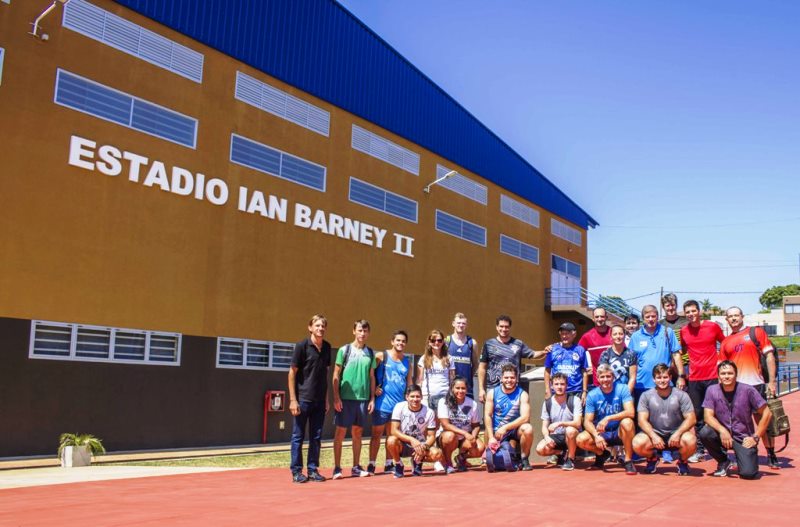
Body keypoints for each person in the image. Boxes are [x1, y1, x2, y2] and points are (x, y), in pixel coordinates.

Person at [719, 306, 780, 469]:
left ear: (742, 316)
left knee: (763, 421)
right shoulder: (725, 342)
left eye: (736, 315)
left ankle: (771, 453)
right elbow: (721, 367)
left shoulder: (756, 332)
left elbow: (769, 356)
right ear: (726, 319)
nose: (733, 318)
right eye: (730, 316)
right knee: (738, 423)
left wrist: (772, 382)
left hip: (756, 385)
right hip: (736, 389)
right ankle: (744, 453)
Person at [699, 361, 772, 479]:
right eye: (723, 373)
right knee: (705, 433)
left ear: (736, 375)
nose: (726, 376)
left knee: (748, 474)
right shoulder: (712, 390)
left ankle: (743, 457)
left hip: (743, 437)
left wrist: (756, 437)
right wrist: (723, 431)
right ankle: (723, 461)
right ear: (718, 376)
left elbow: (767, 413)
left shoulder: (748, 390)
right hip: (722, 436)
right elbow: (708, 416)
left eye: (730, 373)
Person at [288, 314, 331, 483]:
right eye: (317, 325)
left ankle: (312, 470)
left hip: (319, 401)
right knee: (298, 436)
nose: (320, 328)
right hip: (303, 400)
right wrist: (293, 400)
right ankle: (296, 472)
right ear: (310, 327)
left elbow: (325, 374)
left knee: (316, 437)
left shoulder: (327, 347)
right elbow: (292, 373)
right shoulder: (302, 346)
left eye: (323, 326)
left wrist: (326, 399)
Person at [679, 300, 724, 463]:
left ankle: (720, 448)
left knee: (716, 413)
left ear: (699, 311)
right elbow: (682, 351)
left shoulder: (713, 326)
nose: (691, 314)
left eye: (693, 311)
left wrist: (721, 364)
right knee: (697, 415)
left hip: (713, 377)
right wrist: (681, 374)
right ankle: (699, 450)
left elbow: (724, 344)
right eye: (688, 312)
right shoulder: (684, 331)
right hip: (694, 378)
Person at [632, 363, 697, 476]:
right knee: (637, 443)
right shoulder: (646, 396)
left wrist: (677, 434)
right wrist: (654, 436)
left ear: (670, 377)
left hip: (677, 435)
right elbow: (642, 421)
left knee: (691, 441)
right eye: (659, 378)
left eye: (665, 377)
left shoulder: (682, 395)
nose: (662, 380)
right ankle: (652, 458)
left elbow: (691, 419)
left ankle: (683, 461)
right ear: (653, 379)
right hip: (655, 435)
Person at [331, 319, 376, 479]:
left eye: (365, 331)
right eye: (359, 330)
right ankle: (337, 468)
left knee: (357, 433)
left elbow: (372, 377)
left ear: (368, 333)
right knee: (340, 433)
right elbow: (336, 374)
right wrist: (336, 397)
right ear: (354, 331)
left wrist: (372, 399)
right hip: (345, 399)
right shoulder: (344, 350)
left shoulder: (370, 353)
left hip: (363, 399)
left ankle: (356, 467)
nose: (362, 334)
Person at [576, 364, 637, 475]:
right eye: (602, 377)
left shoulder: (623, 388)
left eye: (608, 376)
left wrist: (608, 418)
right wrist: (596, 436)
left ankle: (628, 460)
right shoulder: (592, 395)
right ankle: (602, 454)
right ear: (598, 378)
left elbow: (630, 412)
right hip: (602, 432)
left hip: (619, 431)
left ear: (613, 377)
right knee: (581, 439)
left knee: (628, 422)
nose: (605, 380)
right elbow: (587, 421)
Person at [368, 330, 413, 475]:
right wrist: (374, 389)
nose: (400, 343)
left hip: (398, 406)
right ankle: (371, 464)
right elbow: (370, 375)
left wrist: (410, 400)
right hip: (382, 404)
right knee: (376, 435)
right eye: (398, 340)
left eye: (403, 341)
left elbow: (409, 383)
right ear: (392, 341)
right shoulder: (381, 356)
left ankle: (389, 463)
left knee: (392, 436)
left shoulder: (407, 362)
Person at [478, 315, 546, 403]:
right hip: (493, 388)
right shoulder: (488, 344)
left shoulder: (518, 344)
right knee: (490, 411)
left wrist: (545, 351)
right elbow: (482, 367)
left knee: (512, 411)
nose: (504, 329)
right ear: (497, 327)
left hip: (513, 389)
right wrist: (481, 389)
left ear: (510, 328)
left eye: (506, 327)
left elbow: (533, 354)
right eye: (501, 326)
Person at [484, 364, 534, 470]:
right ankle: (487, 457)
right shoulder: (492, 393)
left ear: (516, 379)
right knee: (487, 431)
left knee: (528, 428)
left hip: (514, 430)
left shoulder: (523, 394)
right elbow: (487, 415)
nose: (509, 380)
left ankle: (524, 459)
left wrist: (506, 427)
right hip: (498, 430)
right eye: (506, 377)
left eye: (512, 377)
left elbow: (525, 417)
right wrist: (491, 437)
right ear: (501, 378)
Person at [629, 305, 681, 405]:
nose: (650, 319)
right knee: (643, 413)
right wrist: (632, 381)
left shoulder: (667, 332)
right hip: (642, 384)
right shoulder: (635, 336)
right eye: (647, 317)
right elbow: (632, 362)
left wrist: (681, 376)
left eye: (653, 316)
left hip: (664, 383)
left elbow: (676, 355)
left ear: (657, 317)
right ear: (643, 318)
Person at [387, 384, 442, 478]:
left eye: (418, 396)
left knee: (437, 454)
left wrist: (423, 447)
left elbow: (431, 436)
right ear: (407, 397)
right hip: (403, 444)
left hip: (421, 445)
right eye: (412, 396)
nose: (415, 399)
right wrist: (411, 440)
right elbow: (394, 430)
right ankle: (398, 464)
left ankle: (417, 461)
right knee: (391, 440)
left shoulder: (429, 412)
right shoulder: (399, 407)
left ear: (421, 397)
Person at [536, 372, 582, 470]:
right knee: (540, 449)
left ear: (567, 385)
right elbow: (544, 426)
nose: (559, 387)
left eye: (562, 384)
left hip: (572, 436)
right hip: (556, 436)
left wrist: (560, 424)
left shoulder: (575, 400)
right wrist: (546, 437)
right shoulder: (547, 403)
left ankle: (571, 459)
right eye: (556, 384)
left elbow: (577, 423)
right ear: (552, 386)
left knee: (570, 430)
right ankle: (561, 453)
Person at [438, 376, 484, 473]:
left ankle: (461, 458)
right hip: (449, 436)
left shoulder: (472, 403)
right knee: (449, 436)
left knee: (480, 449)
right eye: (457, 388)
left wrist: (472, 437)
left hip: (465, 437)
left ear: (467, 389)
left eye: (463, 388)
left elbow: (476, 425)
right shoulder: (443, 402)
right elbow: (445, 425)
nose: (460, 391)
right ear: (452, 388)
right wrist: (465, 433)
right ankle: (448, 463)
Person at [544, 322, 590, 403]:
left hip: (576, 391)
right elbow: (547, 371)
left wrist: (584, 391)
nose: (564, 336)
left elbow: (584, 372)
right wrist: (547, 389)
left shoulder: (580, 350)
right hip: (557, 391)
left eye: (567, 334)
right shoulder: (552, 349)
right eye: (562, 334)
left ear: (574, 334)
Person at [417, 329, 455, 414]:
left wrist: (452, 395)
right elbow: (420, 380)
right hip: (427, 396)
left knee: (443, 420)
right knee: (428, 419)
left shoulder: (449, 358)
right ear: (429, 342)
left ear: (443, 342)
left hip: (444, 395)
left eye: (439, 340)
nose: (436, 343)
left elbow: (452, 379)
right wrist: (418, 394)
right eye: (433, 340)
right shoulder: (423, 358)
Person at [445, 313, 480, 398]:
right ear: (453, 323)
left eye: (463, 323)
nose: (461, 325)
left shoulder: (472, 343)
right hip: (450, 387)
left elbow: (475, 364)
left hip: (466, 388)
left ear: (466, 325)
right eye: (458, 323)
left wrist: (468, 377)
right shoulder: (447, 342)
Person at [597, 324, 638, 395]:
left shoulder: (631, 354)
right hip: (610, 393)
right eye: (615, 334)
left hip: (627, 392)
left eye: (621, 334)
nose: (618, 336)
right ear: (611, 337)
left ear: (624, 335)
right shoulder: (605, 354)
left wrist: (625, 395)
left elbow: (632, 377)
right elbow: (603, 376)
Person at [579, 307, 613, 387]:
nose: (599, 319)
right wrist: (585, 367)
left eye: (602, 316)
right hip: (598, 382)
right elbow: (577, 354)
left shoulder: (614, 333)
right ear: (593, 319)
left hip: (616, 380)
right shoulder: (587, 336)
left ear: (606, 317)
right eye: (597, 317)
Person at [660, 292, 689, 370]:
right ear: (663, 307)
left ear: (676, 305)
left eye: (673, 305)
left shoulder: (686, 322)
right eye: (667, 306)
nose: (670, 308)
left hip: (686, 364)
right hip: (668, 365)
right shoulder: (660, 325)